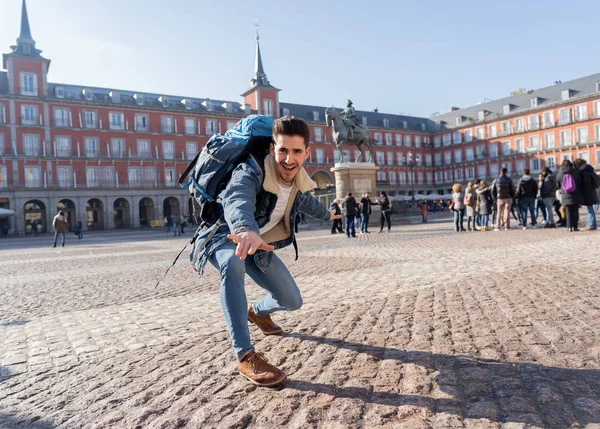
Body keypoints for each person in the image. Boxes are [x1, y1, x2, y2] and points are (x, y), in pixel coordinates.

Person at [191, 116, 340, 387]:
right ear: (273, 149)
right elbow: (238, 197)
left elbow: (308, 203)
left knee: (292, 301)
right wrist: (246, 228)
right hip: (226, 234)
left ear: (307, 153)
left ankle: (257, 311)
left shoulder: (298, 183)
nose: (289, 159)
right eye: (283, 150)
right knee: (233, 264)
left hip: (258, 246)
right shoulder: (251, 170)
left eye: (296, 151)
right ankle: (246, 356)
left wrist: (330, 216)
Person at [556, 159, 583, 232]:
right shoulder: (575, 172)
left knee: (568, 212)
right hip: (575, 194)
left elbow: (557, 185)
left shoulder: (559, 173)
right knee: (575, 211)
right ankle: (575, 227)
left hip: (565, 194)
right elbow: (579, 182)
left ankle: (569, 227)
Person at [573, 158, 599, 231]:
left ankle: (591, 225)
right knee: (590, 209)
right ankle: (590, 224)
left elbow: (585, 184)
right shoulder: (590, 170)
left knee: (590, 209)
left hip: (588, 193)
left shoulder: (583, 172)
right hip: (592, 192)